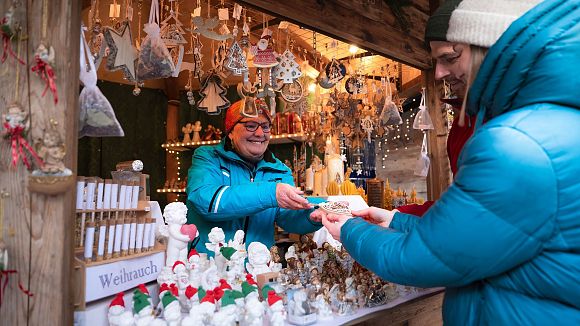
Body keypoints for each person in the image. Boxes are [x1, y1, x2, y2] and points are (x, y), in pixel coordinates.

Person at [319, 0, 580, 324]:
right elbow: (477, 235)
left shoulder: (517, 144)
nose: (440, 72)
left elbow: (419, 259)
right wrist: (395, 220)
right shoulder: (552, 125)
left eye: (451, 57)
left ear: (494, 50)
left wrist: (349, 229)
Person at [186, 100, 322, 254]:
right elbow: (206, 201)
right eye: (250, 126)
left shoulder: (279, 170)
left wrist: (317, 213)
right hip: (210, 269)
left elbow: (288, 218)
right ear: (230, 131)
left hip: (259, 269)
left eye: (265, 127)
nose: (259, 134)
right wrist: (271, 193)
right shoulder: (208, 158)